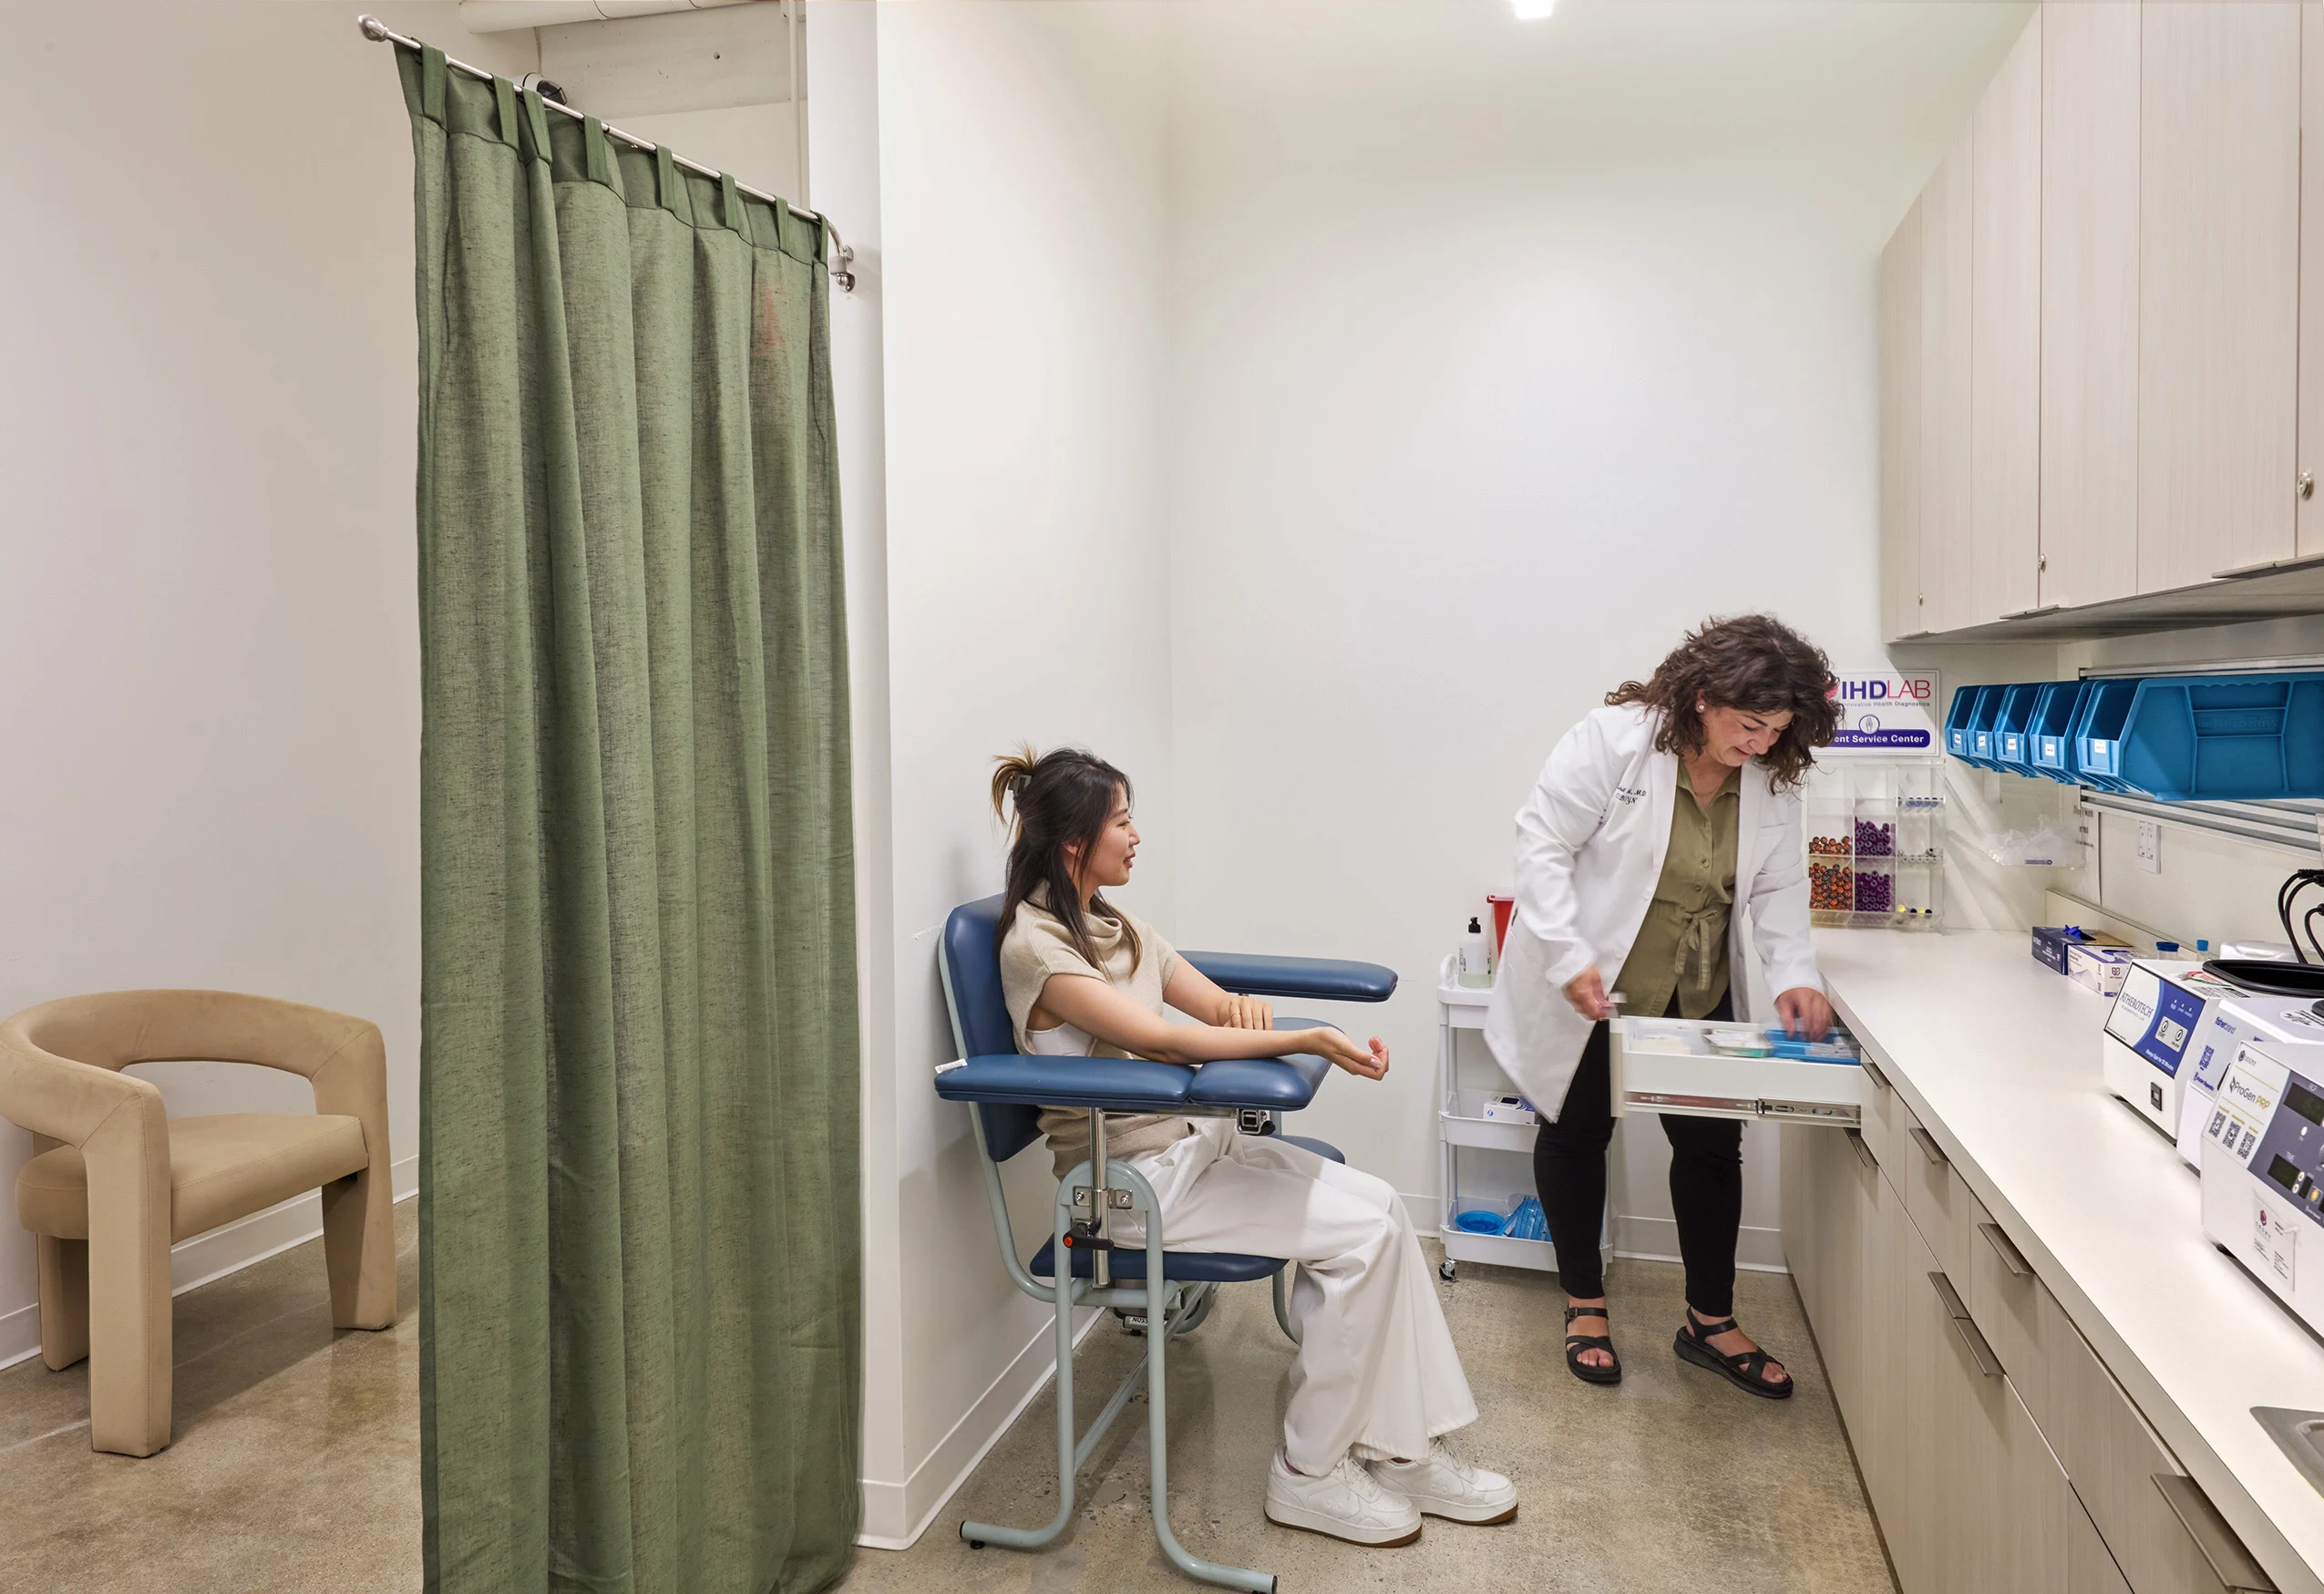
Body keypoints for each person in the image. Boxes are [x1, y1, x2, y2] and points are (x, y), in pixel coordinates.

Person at [990, 745, 1516, 1548]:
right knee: (1363, 1240)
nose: (1137, 837)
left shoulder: (1112, 920)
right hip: (1129, 1192)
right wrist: (1310, 1035)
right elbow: (1165, 1042)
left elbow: (1205, 1003)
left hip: (1194, 1153)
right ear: (1073, 844)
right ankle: (1308, 1473)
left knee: (1380, 1207)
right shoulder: (1038, 948)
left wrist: (1248, 1016)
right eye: (1123, 822)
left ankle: (1405, 1449)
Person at [1484, 615, 1838, 1397]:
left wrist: (1794, 974)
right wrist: (1569, 954)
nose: (1762, 744)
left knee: (1713, 1146)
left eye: (1778, 731)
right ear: (1703, 696)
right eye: (1750, 725)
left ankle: (1709, 1320)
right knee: (1576, 1135)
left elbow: (1779, 886)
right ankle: (1583, 1304)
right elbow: (1541, 845)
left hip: (1698, 987)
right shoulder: (1612, 742)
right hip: (1596, 985)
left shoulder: (1771, 774)